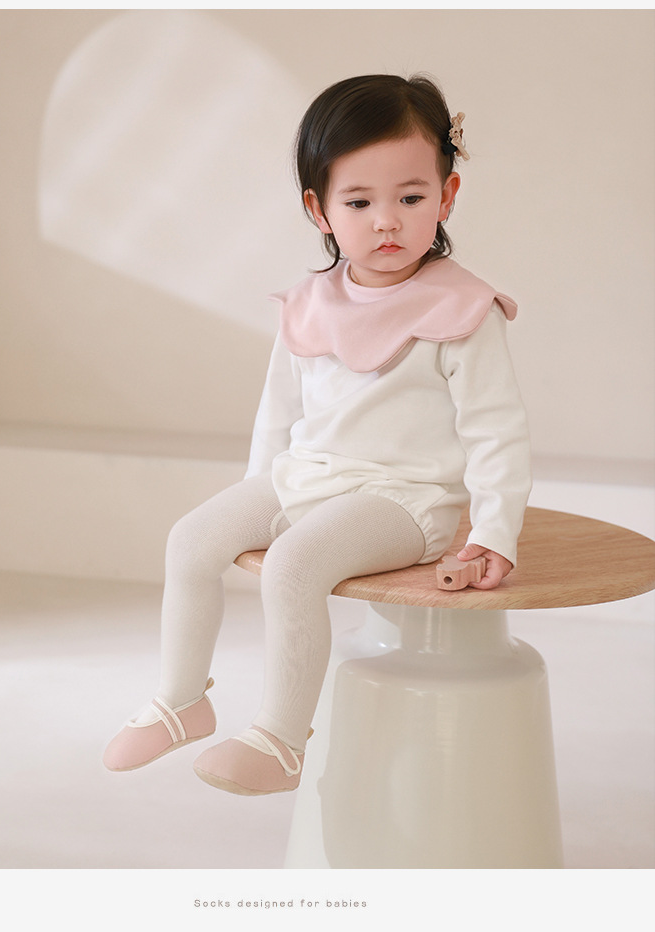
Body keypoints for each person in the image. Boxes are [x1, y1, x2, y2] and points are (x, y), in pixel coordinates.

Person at [103, 73, 532, 796]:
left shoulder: (463, 308)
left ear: (447, 195)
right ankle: (182, 701)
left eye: (411, 198)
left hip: (404, 500)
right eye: (359, 202)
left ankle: (280, 740)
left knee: (294, 564)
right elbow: (277, 412)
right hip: (307, 476)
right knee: (190, 539)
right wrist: (255, 493)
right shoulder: (309, 302)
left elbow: (496, 430)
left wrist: (495, 531)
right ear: (319, 209)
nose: (387, 222)